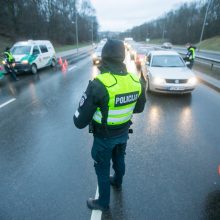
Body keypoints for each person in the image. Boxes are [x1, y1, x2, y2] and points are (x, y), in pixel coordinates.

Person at [73, 39, 146, 211]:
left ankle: (103, 203)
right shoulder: (136, 81)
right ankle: (118, 182)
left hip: (104, 137)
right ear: (123, 56)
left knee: (102, 168)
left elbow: (79, 122)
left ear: (104, 57)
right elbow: (139, 108)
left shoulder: (99, 84)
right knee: (120, 158)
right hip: (123, 133)